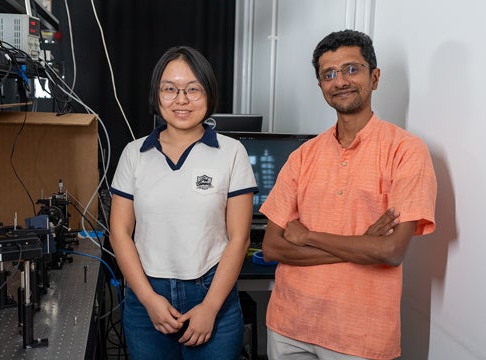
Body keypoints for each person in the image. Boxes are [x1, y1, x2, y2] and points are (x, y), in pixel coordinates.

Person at [260, 29, 437, 360]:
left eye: (351, 69)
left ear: (375, 77)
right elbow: (271, 247)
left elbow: (390, 250)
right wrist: (361, 245)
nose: (340, 80)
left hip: (361, 337)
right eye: (329, 74)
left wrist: (307, 235)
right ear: (320, 86)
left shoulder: (407, 151)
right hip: (289, 325)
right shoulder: (303, 156)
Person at [109, 45, 257, 360]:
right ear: (156, 94)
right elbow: (120, 233)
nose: (181, 100)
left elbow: (239, 238)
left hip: (212, 292)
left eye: (193, 90)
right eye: (170, 89)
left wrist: (210, 307)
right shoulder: (134, 154)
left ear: (209, 94)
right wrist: (148, 299)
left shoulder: (232, 153)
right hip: (146, 296)